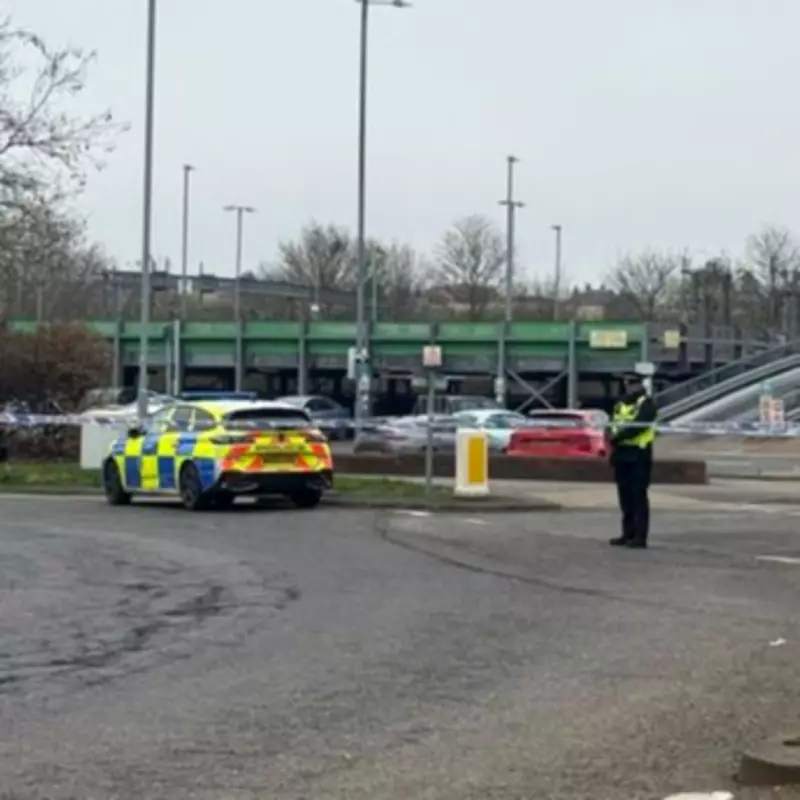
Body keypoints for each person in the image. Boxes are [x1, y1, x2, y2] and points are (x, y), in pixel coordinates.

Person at [607, 371, 657, 549]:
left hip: (639, 455)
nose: (629, 387)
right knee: (625, 497)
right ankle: (627, 533)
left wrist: (617, 438)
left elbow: (638, 426)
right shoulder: (620, 403)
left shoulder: (647, 404)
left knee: (638, 496)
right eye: (627, 384)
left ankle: (640, 537)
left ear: (640, 385)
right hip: (622, 454)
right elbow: (613, 424)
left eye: (633, 384)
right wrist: (611, 441)